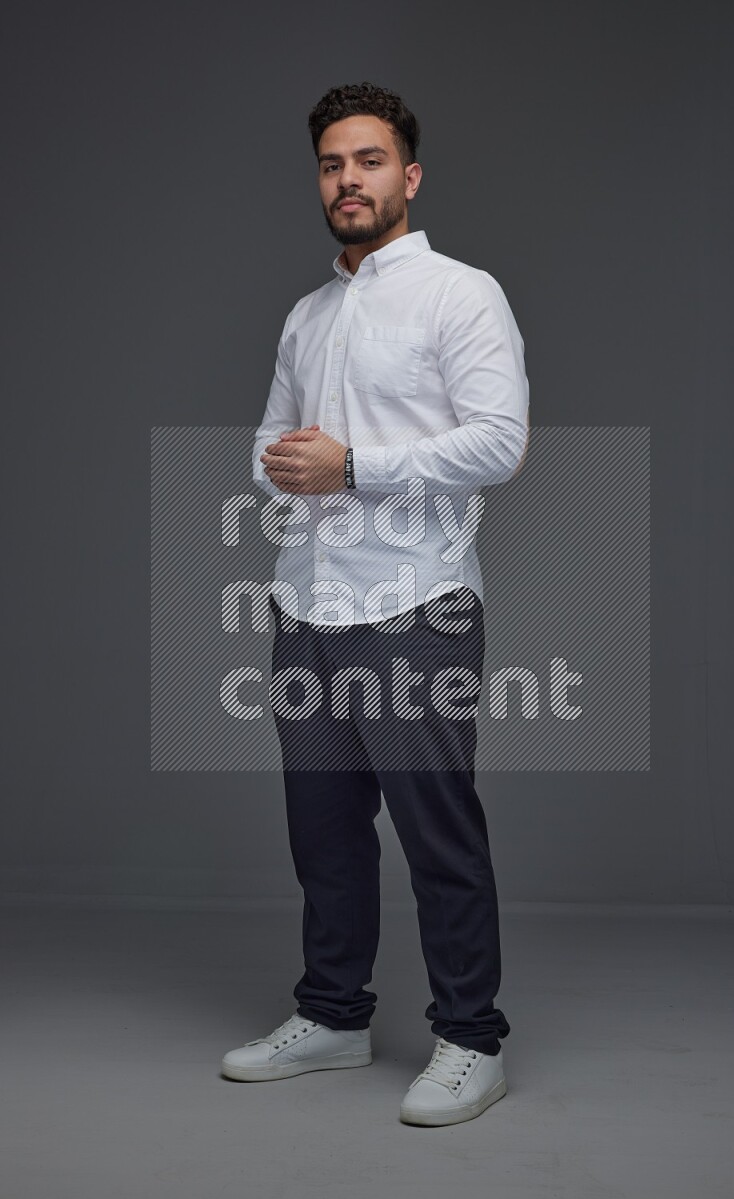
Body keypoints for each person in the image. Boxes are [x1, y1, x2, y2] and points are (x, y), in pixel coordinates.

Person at [221, 81, 530, 1127]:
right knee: (324, 833)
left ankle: (470, 1035)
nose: (346, 180)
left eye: (366, 160)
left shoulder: (459, 293)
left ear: (409, 174)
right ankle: (333, 1013)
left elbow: (498, 441)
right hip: (307, 604)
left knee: (436, 831)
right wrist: (298, 468)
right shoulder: (306, 316)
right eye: (328, 164)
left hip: (413, 604)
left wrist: (351, 466)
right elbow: (267, 454)